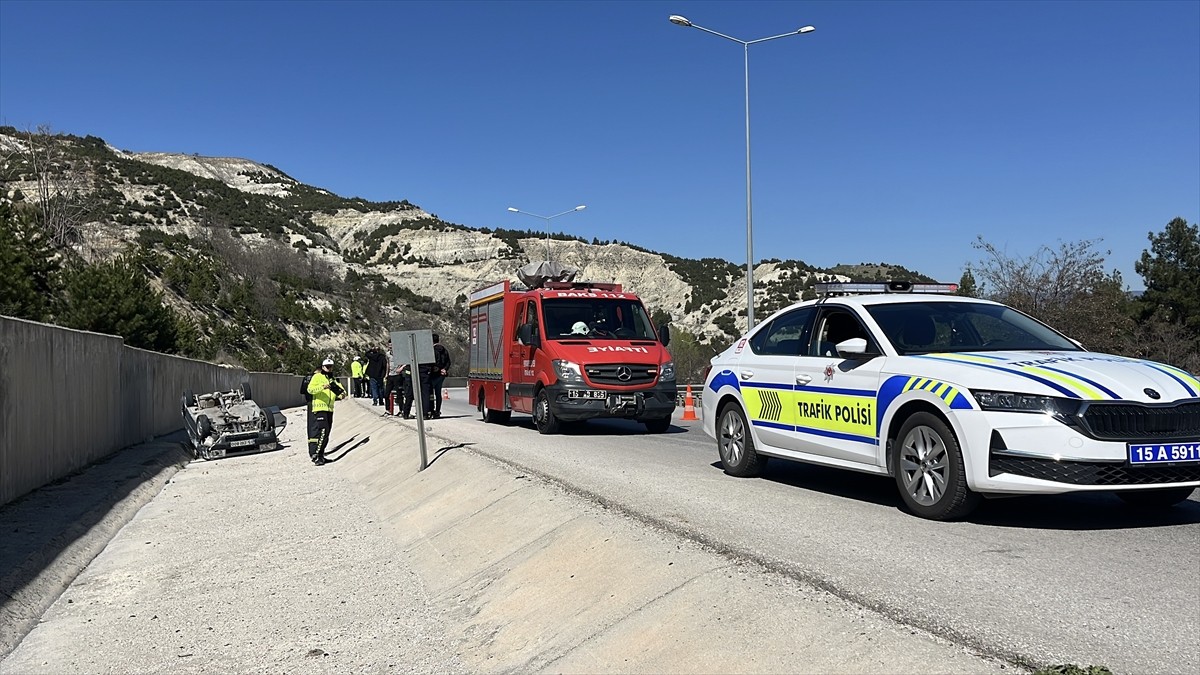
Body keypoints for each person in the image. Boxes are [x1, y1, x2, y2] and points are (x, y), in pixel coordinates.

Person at [306, 357, 346, 466]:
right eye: (327, 367)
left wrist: (342, 394)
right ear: (323, 367)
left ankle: (322, 455)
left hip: (329, 408)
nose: (329, 368)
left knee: (327, 433)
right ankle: (316, 456)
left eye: (331, 366)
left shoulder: (333, 379)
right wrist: (322, 387)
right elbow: (310, 390)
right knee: (323, 431)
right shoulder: (317, 377)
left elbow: (341, 390)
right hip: (319, 408)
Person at [430, 334, 451, 418]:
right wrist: (444, 369)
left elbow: (434, 362)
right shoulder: (444, 350)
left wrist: (438, 369)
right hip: (442, 375)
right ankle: (438, 411)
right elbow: (448, 362)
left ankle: (431, 410)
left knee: (430, 393)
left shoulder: (432, 350)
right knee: (438, 394)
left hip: (434, 374)